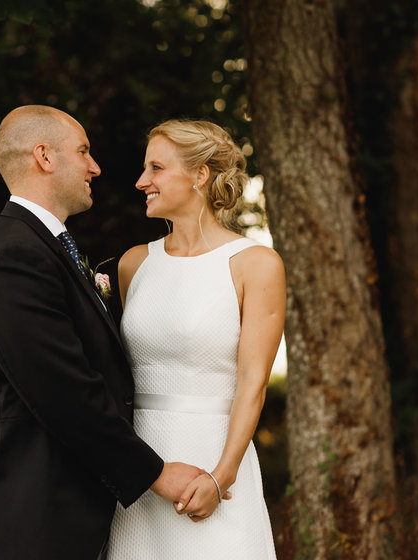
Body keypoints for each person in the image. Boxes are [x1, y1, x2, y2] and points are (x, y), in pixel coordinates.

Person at [0, 106, 213, 559]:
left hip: (61, 509)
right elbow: (63, 388)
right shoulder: (13, 256)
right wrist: (154, 472)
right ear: (44, 157)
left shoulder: (42, 247)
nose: (95, 166)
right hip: (31, 517)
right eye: (83, 151)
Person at [106, 119, 284, 559]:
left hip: (215, 461)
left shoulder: (255, 264)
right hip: (144, 469)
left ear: (200, 175)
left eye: (156, 168)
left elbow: (253, 382)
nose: (141, 181)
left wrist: (220, 477)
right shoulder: (132, 265)